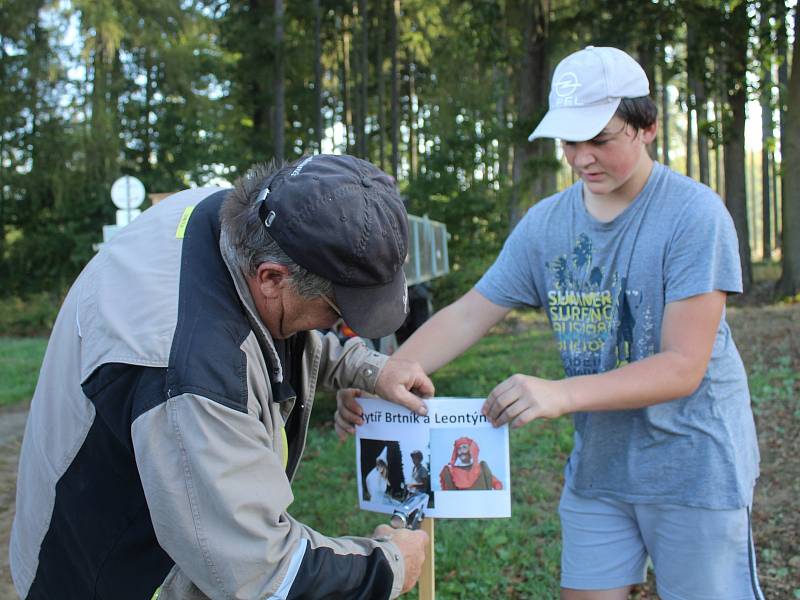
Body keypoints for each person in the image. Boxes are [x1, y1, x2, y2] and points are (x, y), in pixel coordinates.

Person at [336, 47, 764, 600]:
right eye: (569, 141)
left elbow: (683, 367)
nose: (582, 157)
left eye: (601, 139)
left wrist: (559, 394)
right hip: (599, 470)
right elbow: (470, 312)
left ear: (648, 128)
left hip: (694, 467)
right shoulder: (547, 226)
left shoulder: (693, 216)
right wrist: (382, 374)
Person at [10, 154, 434, 600]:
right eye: (337, 310)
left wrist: (367, 368)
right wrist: (388, 566)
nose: (335, 323)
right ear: (271, 277)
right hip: (112, 575)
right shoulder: (195, 378)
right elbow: (261, 574)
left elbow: (275, 328)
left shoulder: (225, 217)